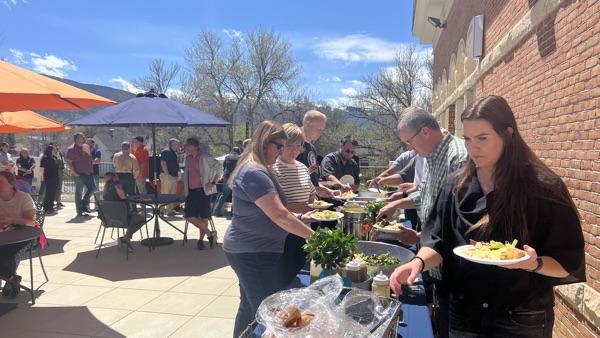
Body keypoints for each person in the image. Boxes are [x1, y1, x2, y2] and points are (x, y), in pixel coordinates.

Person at [390, 95, 586, 337]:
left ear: (508, 134)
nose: (473, 148)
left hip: (521, 318)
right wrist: (416, 263)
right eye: (468, 139)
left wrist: (533, 264)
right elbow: (438, 243)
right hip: (464, 312)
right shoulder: (455, 186)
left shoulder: (543, 188)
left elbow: (566, 265)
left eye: (482, 138)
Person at [376, 107, 467, 338]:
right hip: (433, 260)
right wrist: (395, 205)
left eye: (409, 141)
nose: (409, 148)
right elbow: (425, 194)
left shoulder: (458, 158)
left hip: (452, 267)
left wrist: (419, 238)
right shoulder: (430, 155)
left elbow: (457, 224)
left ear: (425, 132)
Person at [223, 120, 316, 337]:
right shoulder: (254, 172)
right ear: (265, 142)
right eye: (280, 146)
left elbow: (271, 211)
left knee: (248, 309)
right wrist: (316, 239)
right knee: (272, 315)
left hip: (256, 252)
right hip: (251, 253)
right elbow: (279, 214)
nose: (283, 151)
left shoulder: (261, 170)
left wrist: (301, 216)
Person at [273, 123, 317, 289]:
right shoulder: (274, 169)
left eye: (299, 145)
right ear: (281, 145)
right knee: (282, 277)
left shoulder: (302, 167)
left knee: (298, 270)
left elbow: (312, 196)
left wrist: (316, 206)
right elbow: (273, 207)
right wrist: (295, 208)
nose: (295, 150)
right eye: (290, 145)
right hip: (284, 233)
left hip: (304, 229)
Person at [181, 137, 223, 250]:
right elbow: (186, 175)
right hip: (191, 191)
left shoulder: (205, 157)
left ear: (194, 147)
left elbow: (220, 168)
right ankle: (210, 235)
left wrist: (214, 182)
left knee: (204, 216)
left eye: (187, 146)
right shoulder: (188, 158)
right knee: (189, 216)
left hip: (203, 191)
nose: (186, 148)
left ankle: (201, 240)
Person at [0, 171, 36, 299]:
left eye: (1, 182)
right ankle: (12, 279)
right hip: (4, 237)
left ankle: (10, 279)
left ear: (11, 184)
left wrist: (11, 221)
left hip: (25, 237)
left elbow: (31, 221)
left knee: (7, 254)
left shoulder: (23, 197)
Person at [296, 110, 336, 199]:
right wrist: (317, 189)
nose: (321, 132)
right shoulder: (294, 147)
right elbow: (294, 180)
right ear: (308, 124)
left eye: (322, 129)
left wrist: (327, 190)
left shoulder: (311, 147)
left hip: (312, 202)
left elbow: (313, 181)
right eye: (319, 129)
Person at [102, 172, 145, 252]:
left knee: (134, 219)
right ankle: (125, 238)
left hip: (108, 219)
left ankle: (126, 239)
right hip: (121, 218)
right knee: (142, 218)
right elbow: (123, 197)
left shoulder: (106, 190)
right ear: (115, 177)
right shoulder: (117, 185)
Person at [66, 132, 96, 218]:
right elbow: (69, 163)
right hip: (79, 174)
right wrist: (75, 174)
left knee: (93, 188)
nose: (84, 138)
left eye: (83, 137)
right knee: (78, 193)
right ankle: (79, 211)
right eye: (82, 137)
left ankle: (84, 202)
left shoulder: (86, 146)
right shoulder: (71, 149)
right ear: (77, 139)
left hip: (89, 173)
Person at [213, 146, 241, 217]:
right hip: (236, 177)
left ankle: (217, 210)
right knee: (235, 195)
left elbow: (224, 167)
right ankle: (234, 211)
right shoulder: (240, 157)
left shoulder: (227, 157)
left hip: (227, 176)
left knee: (224, 194)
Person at [159, 138, 184, 216]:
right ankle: (161, 209)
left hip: (174, 175)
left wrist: (180, 153)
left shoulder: (176, 152)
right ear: (173, 144)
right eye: (177, 144)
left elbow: (181, 161)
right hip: (167, 175)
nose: (179, 145)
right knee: (165, 193)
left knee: (172, 193)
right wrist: (167, 174)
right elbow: (163, 162)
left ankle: (170, 210)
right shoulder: (167, 151)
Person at [39, 145, 59, 215]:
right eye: (53, 150)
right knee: (49, 192)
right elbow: (41, 168)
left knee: (53, 192)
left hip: (55, 177)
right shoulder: (45, 158)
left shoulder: (54, 158)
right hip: (48, 177)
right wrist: (42, 177)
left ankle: (51, 206)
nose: (55, 151)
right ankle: (46, 207)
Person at [51, 143, 66, 208]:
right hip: (54, 172)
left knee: (60, 187)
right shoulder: (51, 155)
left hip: (60, 172)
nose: (56, 147)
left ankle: (58, 201)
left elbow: (62, 162)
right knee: (54, 187)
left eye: (57, 146)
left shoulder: (59, 154)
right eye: (55, 146)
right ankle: (51, 201)